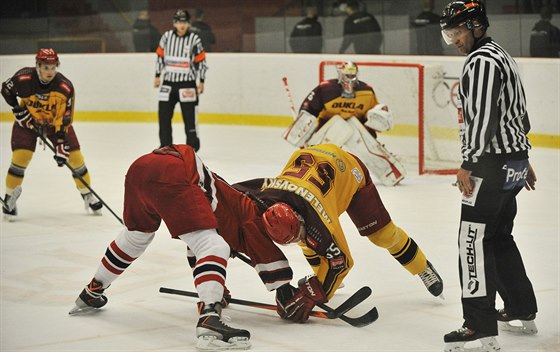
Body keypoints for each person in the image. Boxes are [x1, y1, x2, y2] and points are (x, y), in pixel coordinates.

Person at [68, 144, 252, 350]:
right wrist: (213, 288)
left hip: (138, 169)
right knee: (214, 245)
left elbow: (192, 238)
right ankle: (210, 317)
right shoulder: (230, 201)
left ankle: (92, 291)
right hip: (171, 173)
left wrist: (213, 284)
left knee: (135, 237)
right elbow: (205, 240)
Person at [233, 143, 444, 323]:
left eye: (299, 232)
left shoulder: (320, 220)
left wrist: (314, 293)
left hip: (349, 170)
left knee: (383, 235)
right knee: (309, 241)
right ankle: (321, 275)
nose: (300, 239)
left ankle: (422, 267)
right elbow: (225, 196)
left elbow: (342, 262)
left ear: (299, 216)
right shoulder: (263, 194)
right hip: (309, 161)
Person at [440, 1, 538, 351]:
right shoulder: (502, 55)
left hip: (490, 166)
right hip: (511, 162)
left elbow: (483, 119)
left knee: (472, 240)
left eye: (458, 32)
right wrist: (522, 156)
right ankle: (521, 308)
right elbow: (519, 111)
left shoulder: (480, 62)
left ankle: (478, 326)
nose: (453, 40)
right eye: (449, 33)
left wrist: (468, 162)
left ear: (477, 27)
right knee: (499, 236)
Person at [0, 48, 102, 221]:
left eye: (53, 67)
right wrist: (18, 111)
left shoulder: (64, 87)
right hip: (27, 123)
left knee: (75, 158)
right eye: (46, 67)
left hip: (55, 125)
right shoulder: (24, 78)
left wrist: (62, 141)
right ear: (37, 66)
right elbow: (6, 90)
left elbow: (66, 116)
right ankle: (9, 199)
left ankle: (87, 194)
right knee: (20, 158)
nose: (50, 72)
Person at [282, 61, 406, 186]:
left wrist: (372, 136)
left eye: (352, 75)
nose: (349, 78)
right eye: (347, 75)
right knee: (323, 150)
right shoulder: (326, 88)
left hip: (355, 126)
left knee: (364, 143)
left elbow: (370, 117)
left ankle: (390, 172)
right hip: (329, 126)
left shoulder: (366, 91)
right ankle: (309, 172)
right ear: (340, 74)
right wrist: (304, 130)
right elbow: (309, 109)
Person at [154, 9, 208, 151]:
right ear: (174, 23)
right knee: (164, 116)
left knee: (190, 119)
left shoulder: (194, 39)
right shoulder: (166, 37)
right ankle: (165, 146)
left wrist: (201, 81)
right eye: (178, 22)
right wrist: (157, 75)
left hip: (187, 84)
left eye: (184, 22)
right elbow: (160, 56)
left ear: (188, 23)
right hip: (168, 83)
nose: (181, 25)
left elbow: (201, 61)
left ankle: (192, 148)